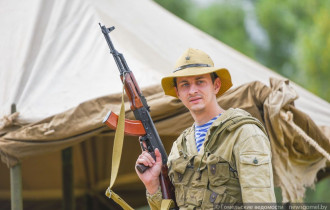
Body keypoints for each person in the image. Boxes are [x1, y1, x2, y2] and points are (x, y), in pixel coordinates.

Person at [135, 48, 276, 209]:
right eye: (185, 84)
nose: (193, 90)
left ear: (216, 85)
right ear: (178, 93)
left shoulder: (244, 133)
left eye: (200, 81)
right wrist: (152, 186)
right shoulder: (179, 148)